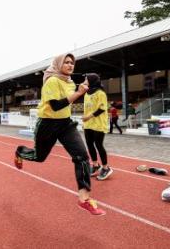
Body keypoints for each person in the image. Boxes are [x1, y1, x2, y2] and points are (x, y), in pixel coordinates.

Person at [14, 53, 105, 216]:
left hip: (65, 124)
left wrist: (81, 89)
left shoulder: (69, 82)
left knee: (82, 157)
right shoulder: (52, 81)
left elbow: (67, 103)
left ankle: (84, 199)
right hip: (47, 123)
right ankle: (20, 151)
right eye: (67, 62)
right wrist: (78, 94)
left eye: (72, 63)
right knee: (39, 157)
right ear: (58, 64)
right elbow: (55, 106)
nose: (70, 65)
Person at [82, 73, 113, 181]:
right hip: (88, 124)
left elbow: (102, 109)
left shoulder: (101, 93)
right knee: (90, 145)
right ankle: (95, 165)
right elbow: (87, 109)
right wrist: (85, 121)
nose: (85, 80)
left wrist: (88, 117)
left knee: (99, 145)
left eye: (86, 79)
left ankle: (106, 168)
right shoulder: (86, 94)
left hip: (99, 124)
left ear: (91, 80)